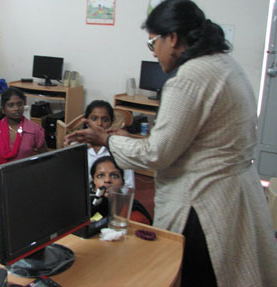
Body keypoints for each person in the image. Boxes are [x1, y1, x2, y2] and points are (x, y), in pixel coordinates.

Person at [65, 1, 277, 286]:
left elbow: (157, 155)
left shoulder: (188, 78)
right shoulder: (223, 64)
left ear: (173, 38)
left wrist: (104, 139)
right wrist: (129, 138)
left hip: (205, 204)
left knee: (197, 276)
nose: (153, 52)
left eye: (153, 43)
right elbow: (195, 142)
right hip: (235, 194)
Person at [0, 87, 47, 165]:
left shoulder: (34, 130)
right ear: (3, 109)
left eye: (19, 104)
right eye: (11, 105)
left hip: (25, 173)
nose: (16, 108)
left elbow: (47, 157)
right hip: (2, 175)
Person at [85, 100, 135, 190]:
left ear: (111, 122)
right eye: (94, 119)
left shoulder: (119, 149)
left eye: (105, 120)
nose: (99, 123)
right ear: (86, 121)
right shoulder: (79, 147)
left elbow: (129, 186)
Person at [90, 156, 152, 224]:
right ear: (93, 181)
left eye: (114, 176)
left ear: (123, 182)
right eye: (100, 176)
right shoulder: (87, 207)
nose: (107, 180)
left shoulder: (135, 216)